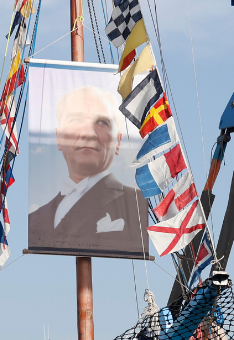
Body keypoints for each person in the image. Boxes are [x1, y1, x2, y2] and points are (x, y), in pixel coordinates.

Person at [28, 85, 149, 254]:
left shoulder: (137, 205)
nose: (88, 134)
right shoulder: (34, 220)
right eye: (76, 120)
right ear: (58, 137)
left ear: (118, 141)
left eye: (102, 122)